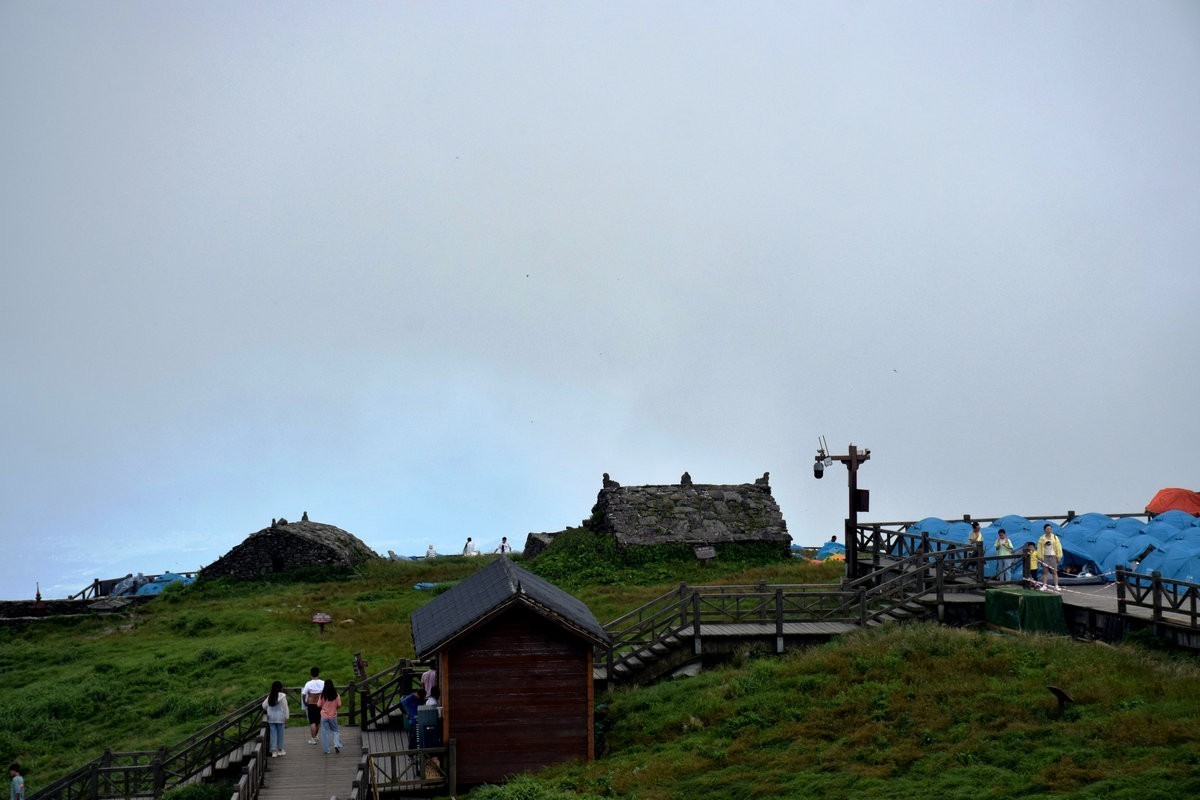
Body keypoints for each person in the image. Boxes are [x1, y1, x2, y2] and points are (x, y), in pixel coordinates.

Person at [262, 680, 289, 757]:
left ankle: (274, 751)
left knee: (273, 734)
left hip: (271, 717)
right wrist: (286, 717)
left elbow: (264, 705)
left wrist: (268, 709)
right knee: (281, 734)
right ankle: (280, 750)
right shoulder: (283, 696)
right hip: (280, 717)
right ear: (281, 687)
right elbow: (285, 707)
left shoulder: (270, 695)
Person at [317, 679, 343, 754]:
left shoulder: (322, 695)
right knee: (335, 731)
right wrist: (335, 707)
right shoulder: (336, 695)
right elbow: (339, 705)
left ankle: (327, 750)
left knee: (325, 733)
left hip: (324, 716)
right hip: (333, 716)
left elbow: (318, 705)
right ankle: (336, 744)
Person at [302, 667, 325, 745]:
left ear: (311, 674)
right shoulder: (323, 683)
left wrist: (304, 702)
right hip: (320, 704)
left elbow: (304, 694)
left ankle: (313, 739)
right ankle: (315, 736)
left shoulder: (308, 683)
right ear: (318, 674)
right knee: (317, 722)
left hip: (311, 704)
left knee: (312, 722)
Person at [1038, 524, 1064, 592]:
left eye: (1050, 529)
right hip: (1045, 556)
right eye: (1047, 529)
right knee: (1045, 572)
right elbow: (1039, 549)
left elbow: (1059, 547)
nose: (1049, 530)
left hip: (1053, 556)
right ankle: (1044, 585)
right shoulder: (1042, 538)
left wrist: (1059, 556)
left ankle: (1056, 586)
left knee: (1054, 572)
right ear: (1044, 530)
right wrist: (1040, 557)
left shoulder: (1055, 537)